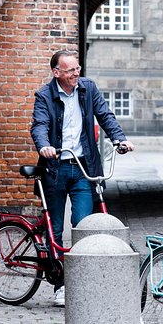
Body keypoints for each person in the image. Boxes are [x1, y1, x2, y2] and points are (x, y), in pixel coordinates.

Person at [30, 50, 135, 306]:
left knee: (83, 225)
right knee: (54, 229)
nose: (77, 73)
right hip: (55, 168)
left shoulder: (87, 89)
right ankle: (60, 284)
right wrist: (44, 145)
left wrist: (119, 138)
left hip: (83, 168)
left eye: (78, 69)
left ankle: (82, 280)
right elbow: (39, 125)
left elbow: (105, 115)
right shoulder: (45, 95)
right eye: (70, 70)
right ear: (57, 73)